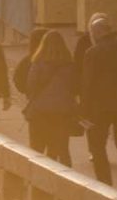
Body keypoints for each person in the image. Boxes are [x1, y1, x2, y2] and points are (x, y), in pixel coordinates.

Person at [75, 14, 117, 192]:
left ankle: (105, 185)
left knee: (97, 146)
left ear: (95, 33)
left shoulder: (92, 52)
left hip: (99, 108)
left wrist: (83, 112)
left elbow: (87, 85)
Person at [20, 29, 79, 165]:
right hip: (62, 114)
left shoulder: (38, 63)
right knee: (60, 149)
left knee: (36, 150)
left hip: (39, 113)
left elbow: (31, 86)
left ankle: (36, 182)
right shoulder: (70, 66)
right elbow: (75, 87)